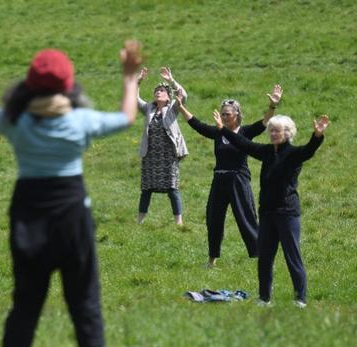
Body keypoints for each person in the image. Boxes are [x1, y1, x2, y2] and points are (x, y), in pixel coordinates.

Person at [0, 31, 142, 347]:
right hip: (72, 216)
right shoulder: (81, 121)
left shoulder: (17, 122)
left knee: (26, 300)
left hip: (27, 213)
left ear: (28, 85)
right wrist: (128, 77)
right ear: (69, 84)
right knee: (84, 297)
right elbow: (126, 117)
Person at [212, 110, 330, 308]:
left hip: (287, 213)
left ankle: (300, 299)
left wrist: (317, 135)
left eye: (278, 131)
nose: (274, 134)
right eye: (272, 130)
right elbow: (244, 144)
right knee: (264, 257)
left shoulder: (293, 154)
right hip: (267, 212)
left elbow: (308, 151)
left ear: (288, 133)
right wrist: (223, 129)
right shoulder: (266, 151)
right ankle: (264, 298)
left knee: (293, 256)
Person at [177, 86, 282, 267]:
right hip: (219, 180)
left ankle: (261, 256)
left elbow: (264, 123)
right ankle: (212, 260)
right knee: (213, 219)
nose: (224, 117)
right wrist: (180, 106)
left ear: (237, 115)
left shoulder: (245, 132)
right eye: (223, 114)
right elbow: (197, 125)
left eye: (228, 114)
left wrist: (272, 106)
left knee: (246, 217)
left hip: (238, 180)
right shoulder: (218, 132)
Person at [136, 67, 189, 225]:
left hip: (168, 156)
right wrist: (138, 81)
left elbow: (183, 95)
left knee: (172, 188)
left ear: (168, 96)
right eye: (156, 91)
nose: (158, 92)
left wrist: (171, 81)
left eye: (161, 91)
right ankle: (139, 222)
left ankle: (179, 223)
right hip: (150, 155)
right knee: (146, 189)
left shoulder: (173, 107)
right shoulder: (148, 109)